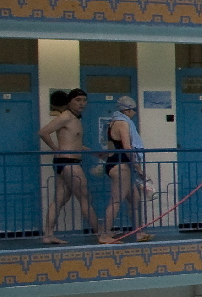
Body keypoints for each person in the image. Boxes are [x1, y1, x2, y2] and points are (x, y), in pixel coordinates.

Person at [40, 88, 109, 246]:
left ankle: (48, 235)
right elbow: (43, 132)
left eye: (84, 100)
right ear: (69, 101)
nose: (82, 104)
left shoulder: (74, 118)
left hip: (66, 163)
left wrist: (93, 153)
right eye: (78, 100)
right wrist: (55, 149)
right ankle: (100, 234)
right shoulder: (66, 117)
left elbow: (74, 144)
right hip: (69, 163)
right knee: (85, 198)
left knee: (59, 199)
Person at [102, 94, 151, 242]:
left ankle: (138, 231)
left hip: (116, 163)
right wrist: (138, 168)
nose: (135, 113)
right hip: (120, 165)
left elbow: (111, 147)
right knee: (115, 201)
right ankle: (104, 234)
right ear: (128, 110)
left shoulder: (112, 122)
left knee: (134, 199)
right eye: (134, 110)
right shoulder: (123, 123)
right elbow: (127, 147)